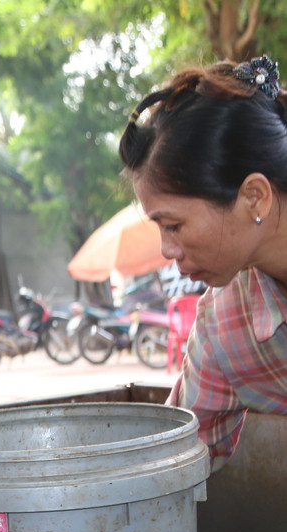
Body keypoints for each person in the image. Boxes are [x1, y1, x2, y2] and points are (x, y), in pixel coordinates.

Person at [122, 56, 287, 469]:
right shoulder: (226, 326)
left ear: (254, 198)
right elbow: (169, 469)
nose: (166, 250)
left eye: (173, 225)